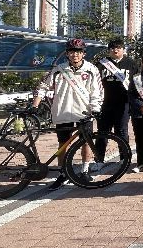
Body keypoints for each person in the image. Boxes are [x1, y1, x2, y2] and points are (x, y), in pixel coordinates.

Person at [30, 38, 103, 190]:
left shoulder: (91, 69)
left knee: (86, 142)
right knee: (63, 144)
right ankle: (63, 173)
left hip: (84, 112)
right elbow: (43, 86)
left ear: (83, 53)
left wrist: (95, 109)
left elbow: (96, 92)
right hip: (62, 111)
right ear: (67, 54)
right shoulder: (58, 69)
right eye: (71, 52)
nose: (75, 54)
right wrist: (35, 105)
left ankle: (84, 170)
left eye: (78, 52)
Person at [94, 39, 136, 172]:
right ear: (109, 50)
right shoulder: (101, 64)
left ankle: (124, 158)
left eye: (118, 48)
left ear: (123, 49)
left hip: (124, 103)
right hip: (105, 103)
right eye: (112, 48)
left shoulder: (131, 63)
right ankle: (99, 160)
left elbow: (136, 83)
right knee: (102, 132)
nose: (115, 50)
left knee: (122, 131)